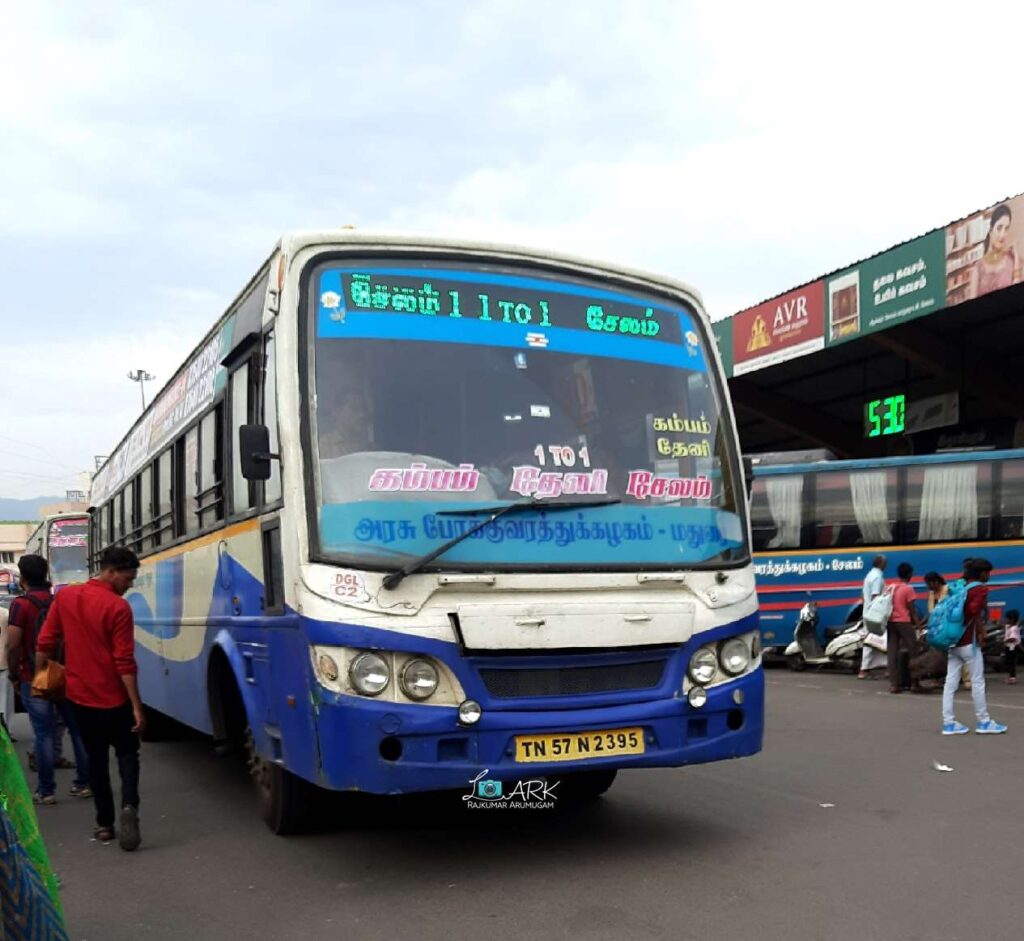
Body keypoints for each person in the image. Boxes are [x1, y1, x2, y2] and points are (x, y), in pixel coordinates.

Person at [35, 547, 145, 850]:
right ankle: (129, 806)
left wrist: (40, 679)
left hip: (80, 698)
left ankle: (105, 825)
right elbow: (124, 661)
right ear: (110, 572)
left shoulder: (67, 597)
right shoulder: (118, 608)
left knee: (95, 760)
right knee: (127, 755)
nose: (129, 584)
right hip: (115, 699)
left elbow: (45, 641)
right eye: (128, 578)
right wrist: (136, 705)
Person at [6, 556, 90, 805]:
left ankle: (46, 791)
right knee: (77, 731)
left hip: (33, 676)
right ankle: (84, 783)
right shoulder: (59, 601)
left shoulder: (21, 605)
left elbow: (13, 644)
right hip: (64, 674)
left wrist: (13, 674)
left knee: (43, 733)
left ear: (22, 578)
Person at [941, 558, 1007, 735]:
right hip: (969, 643)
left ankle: (948, 723)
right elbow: (973, 611)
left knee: (950, 683)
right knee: (978, 681)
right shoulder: (979, 589)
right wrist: (981, 630)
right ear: (982, 573)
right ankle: (983, 721)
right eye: (988, 573)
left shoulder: (960, 586)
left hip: (953, 640)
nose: (989, 576)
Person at [968, 203, 1021, 299]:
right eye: (999, 228)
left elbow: (1017, 297)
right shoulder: (978, 267)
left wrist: (1016, 258)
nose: (1003, 235)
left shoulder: (1012, 260)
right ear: (991, 230)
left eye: (1006, 229)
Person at [887, 562, 922, 694]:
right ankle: (914, 682)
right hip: (904, 622)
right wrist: (918, 626)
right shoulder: (908, 589)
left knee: (893, 653)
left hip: (891, 622)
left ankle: (894, 684)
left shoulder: (891, 587)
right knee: (914, 651)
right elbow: (912, 611)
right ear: (909, 574)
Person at [858, 555, 887, 679]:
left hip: (868, 613)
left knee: (877, 641)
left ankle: (883, 667)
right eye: (885, 562)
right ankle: (863, 670)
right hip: (875, 615)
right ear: (881, 563)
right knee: (871, 641)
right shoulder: (877, 577)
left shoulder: (870, 575)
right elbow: (876, 597)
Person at [1003, 609, 1020, 685]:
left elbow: (1013, 638)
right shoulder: (1009, 626)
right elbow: (1005, 626)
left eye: (1007, 618)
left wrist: (1006, 640)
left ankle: (1012, 678)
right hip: (1008, 647)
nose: (1005, 620)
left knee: (1011, 663)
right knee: (1008, 662)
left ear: (1012, 619)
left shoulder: (1014, 628)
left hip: (1012, 648)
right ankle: (1010, 676)